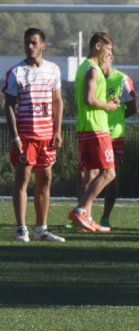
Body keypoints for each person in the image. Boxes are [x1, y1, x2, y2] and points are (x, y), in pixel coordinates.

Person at [4, 28, 65, 242]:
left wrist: (57, 130)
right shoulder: (16, 72)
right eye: (26, 43)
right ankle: (21, 229)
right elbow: (9, 106)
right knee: (23, 179)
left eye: (34, 43)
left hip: (47, 137)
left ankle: (41, 229)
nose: (29, 47)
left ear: (43, 45)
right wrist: (15, 137)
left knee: (45, 179)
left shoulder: (53, 70)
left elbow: (57, 101)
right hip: (26, 137)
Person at [67, 32, 120, 233]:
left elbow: (90, 97)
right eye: (108, 49)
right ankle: (81, 211)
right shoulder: (93, 69)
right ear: (98, 46)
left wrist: (107, 102)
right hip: (96, 128)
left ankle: (86, 218)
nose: (109, 54)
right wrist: (108, 106)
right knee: (109, 173)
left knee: (91, 174)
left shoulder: (83, 67)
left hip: (86, 127)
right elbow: (89, 99)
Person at [99, 52, 138, 228]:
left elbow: (132, 108)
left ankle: (105, 217)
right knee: (86, 174)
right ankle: (83, 213)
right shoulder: (92, 77)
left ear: (111, 58)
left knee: (112, 176)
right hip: (94, 131)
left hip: (114, 136)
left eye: (105, 56)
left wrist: (117, 117)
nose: (101, 60)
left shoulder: (122, 79)